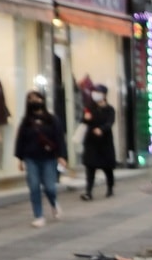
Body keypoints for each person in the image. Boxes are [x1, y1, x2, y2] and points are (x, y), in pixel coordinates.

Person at [13, 91, 67, 228]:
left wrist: (62, 156)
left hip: (49, 158)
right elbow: (21, 141)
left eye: (37, 98)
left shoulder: (52, 120)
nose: (34, 101)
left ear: (42, 100)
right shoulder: (26, 122)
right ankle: (39, 216)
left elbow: (60, 138)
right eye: (30, 99)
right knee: (34, 186)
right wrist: (20, 159)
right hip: (30, 158)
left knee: (50, 187)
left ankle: (54, 203)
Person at [80, 84, 116, 200]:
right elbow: (83, 121)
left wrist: (102, 129)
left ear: (104, 95)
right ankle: (88, 192)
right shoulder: (90, 107)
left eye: (98, 92)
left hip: (105, 142)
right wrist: (86, 118)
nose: (95, 94)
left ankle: (110, 188)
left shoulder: (110, 109)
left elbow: (110, 122)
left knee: (107, 168)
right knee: (90, 167)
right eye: (94, 92)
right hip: (91, 142)